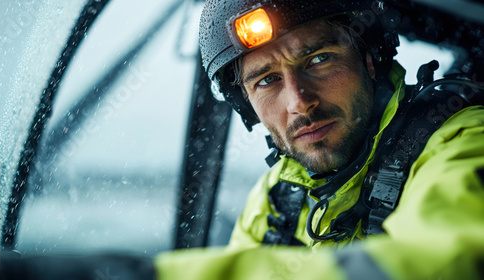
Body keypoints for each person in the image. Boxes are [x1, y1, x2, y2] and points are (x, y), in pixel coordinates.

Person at [154, 0, 484, 279]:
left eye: (319, 59)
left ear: (368, 59)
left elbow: (446, 260)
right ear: (247, 106)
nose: (298, 102)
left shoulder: (463, 143)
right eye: (267, 80)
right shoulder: (277, 197)